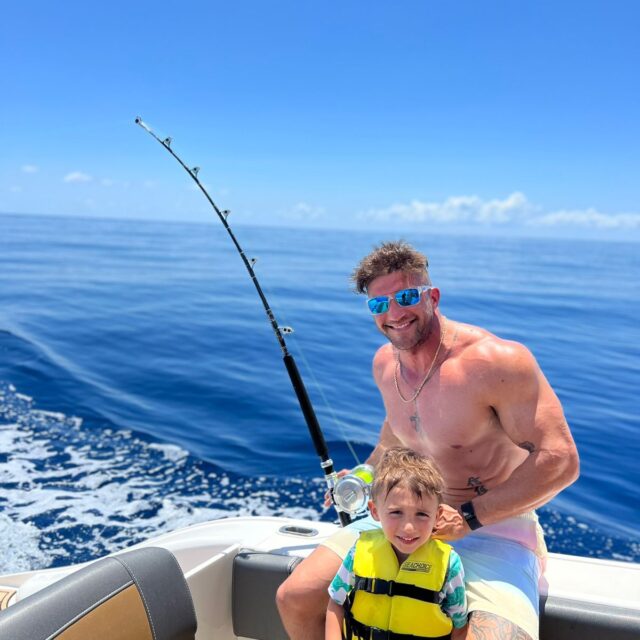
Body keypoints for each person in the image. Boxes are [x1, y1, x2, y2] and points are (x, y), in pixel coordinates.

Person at [277, 240, 579, 640]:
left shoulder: (495, 362)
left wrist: (471, 515)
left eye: (405, 297)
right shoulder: (385, 364)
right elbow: (393, 440)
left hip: (491, 524)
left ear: (432, 296)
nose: (394, 313)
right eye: (378, 305)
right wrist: (365, 475)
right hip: (404, 516)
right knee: (295, 596)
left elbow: (560, 459)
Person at [325, 447, 467, 640]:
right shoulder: (358, 552)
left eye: (422, 514)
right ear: (374, 511)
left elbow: (460, 627)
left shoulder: (448, 565)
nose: (408, 527)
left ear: (437, 516)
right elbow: (335, 603)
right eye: (396, 513)